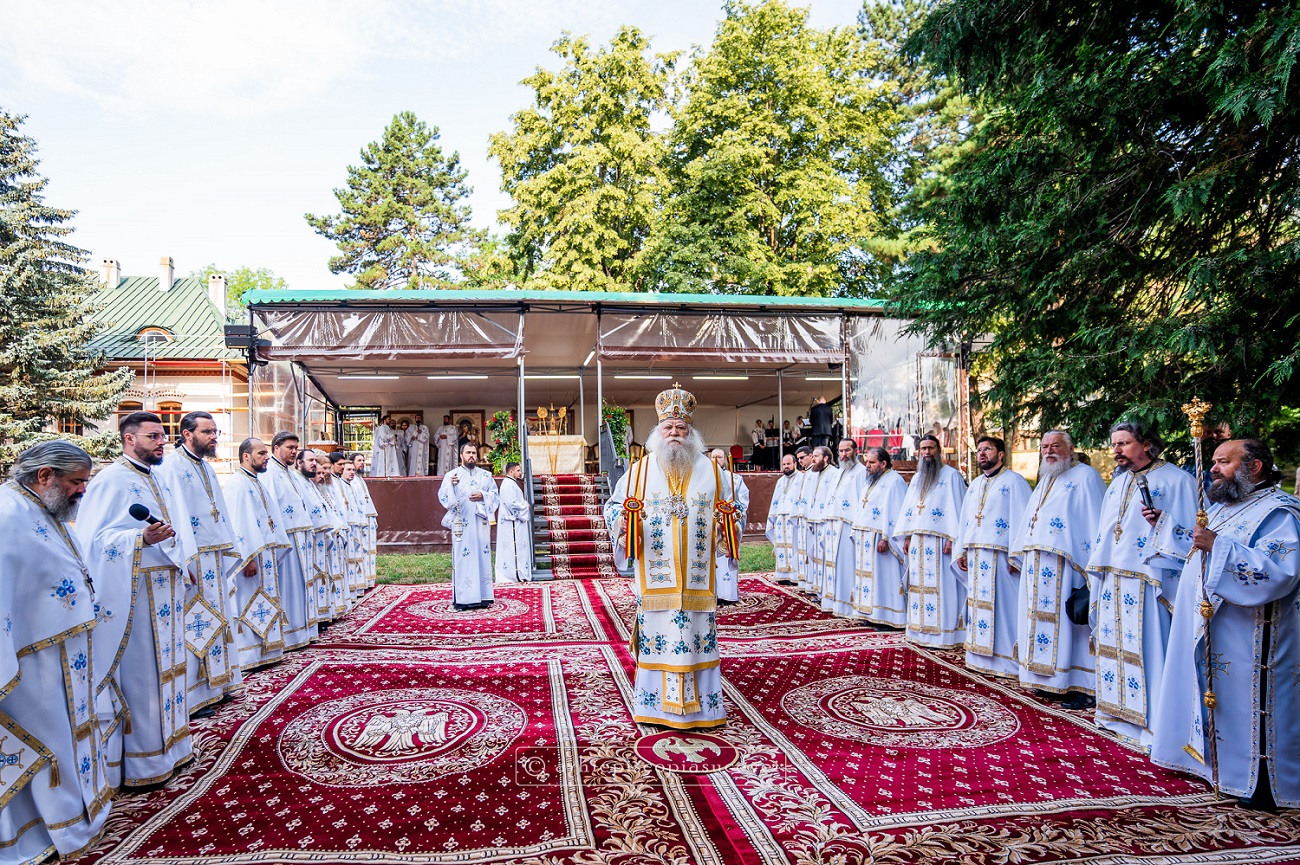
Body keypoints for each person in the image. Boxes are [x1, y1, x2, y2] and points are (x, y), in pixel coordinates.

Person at [1151, 438, 1300, 811]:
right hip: (1216, 631)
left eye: (1224, 462)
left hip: (1252, 637)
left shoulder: (1280, 512)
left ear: (1254, 467)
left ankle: (1261, 783)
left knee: (1250, 706)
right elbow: (1199, 548)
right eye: (1214, 462)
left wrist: (1218, 547)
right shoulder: (1226, 507)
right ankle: (1220, 769)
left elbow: (1278, 572)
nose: (1214, 469)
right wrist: (1170, 527)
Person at [1, 442, 114, 861]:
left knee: (67, 739)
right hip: (29, 659)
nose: (83, 491)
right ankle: (47, 828)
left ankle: (73, 817)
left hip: (65, 652)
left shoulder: (44, 511)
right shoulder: (8, 514)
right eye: (76, 482)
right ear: (45, 475)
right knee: (43, 743)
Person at [75, 411, 193, 788]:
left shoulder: (157, 477)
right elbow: (92, 542)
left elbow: (175, 529)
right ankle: (144, 762)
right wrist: (139, 540)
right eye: (154, 436)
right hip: (135, 593)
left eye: (163, 435)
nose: (162, 442)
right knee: (144, 676)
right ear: (129, 439)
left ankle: (171, 748)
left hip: (165, 589)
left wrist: (183, 560)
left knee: (168, 671)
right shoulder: (111, 480)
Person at [605, 384, 726, 729]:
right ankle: (656, 709)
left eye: (681, 427)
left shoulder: (712, 471)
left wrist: (727, 531)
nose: (674, 432)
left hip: (697, 580)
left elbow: (732, 510)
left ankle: (704, 710)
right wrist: (622, 525)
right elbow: (614, 506)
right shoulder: (640, 471)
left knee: (696, 637)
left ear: (691, 432)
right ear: (658, 432)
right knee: (660, 638)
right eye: (668, 427)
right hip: (656, 580)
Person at [1084, 421, 1197, 748]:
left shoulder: (1178, 481)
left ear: (1147, 444)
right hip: (1114, 579)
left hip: (1151, 584)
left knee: (1149, 651)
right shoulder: (1117, 484)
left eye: (1124, 443)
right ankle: (1115, 714)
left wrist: (1164, 524)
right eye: (1114, 444)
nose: (1116, 450)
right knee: (1113, 649)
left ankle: (1152, 727)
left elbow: (1191, 538)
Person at [1011, 430, 1105, 710]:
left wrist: (1090, 568)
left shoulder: (1086, 476)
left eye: (1055, 446)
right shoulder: (1046, 478)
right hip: (1038, 564)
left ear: (1071, 447)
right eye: (1044, 447)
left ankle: (1080, 684)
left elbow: (1093, 522)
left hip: (1069, 566)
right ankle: (1048, 680)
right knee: (1038, 621)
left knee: (1071, 622)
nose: (1049, 451)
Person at [155, 411, 242, 716]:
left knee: (218, 618)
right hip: (193, 558)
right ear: (187, 433)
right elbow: (174, 515)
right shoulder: (171, 467)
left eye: (215, 432)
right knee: (196, 622)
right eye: (207, 432)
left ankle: (219, 685)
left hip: (214, 557)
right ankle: (195, 695)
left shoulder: (206, 466)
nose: (214, 437)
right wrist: (183, 558)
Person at [953, 436, 1031, 678]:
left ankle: (1007, 660)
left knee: (1005, 608)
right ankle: (979, 655)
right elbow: (965, 520)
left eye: (988, 449)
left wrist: (1015, 555)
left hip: (1002, 557)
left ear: (1000, 454)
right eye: (979, 450)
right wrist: (963, 550)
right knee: (979, 606)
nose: (982, 453)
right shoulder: (975, 484)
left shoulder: (1014, 482)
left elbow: (1022, 520)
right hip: (977, 556)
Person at [892, 434, 968, 647]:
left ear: (939, 450)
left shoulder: (952, 476)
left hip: (941, 543)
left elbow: (959, 510)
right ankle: (920, 630)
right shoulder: (917, 478)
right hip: (918, 543)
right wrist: (907, 536)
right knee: (918, 586)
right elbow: (909, 509)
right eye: (923, 448)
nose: (926, 452)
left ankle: (945, 634)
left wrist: (955, 539)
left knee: (943, 588)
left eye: (930, 448)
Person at [223, 438, 286, 671]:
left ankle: (264, 651)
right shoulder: (237, 485)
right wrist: (247, 558)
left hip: (263, 555)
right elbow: (239, 524)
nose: (266, 457)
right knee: (248, 603)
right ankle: (248, 655)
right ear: (246, 456)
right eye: (261, 453)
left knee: (263, 602)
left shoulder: (255, 482)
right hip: (250, 558)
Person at [261, 432, 318, 649]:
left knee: (300, 586)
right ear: (276, 448)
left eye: (296, 448)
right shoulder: (270, 474)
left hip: (299, 538)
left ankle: (300, 631)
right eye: (290, 447)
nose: (294, 451)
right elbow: (270, 510)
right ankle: (288, 633)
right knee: (288, 587)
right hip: (285, 539)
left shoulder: (291, 474)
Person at [850, 446, 909, 627]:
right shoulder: (872, 481)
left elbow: (896, 512)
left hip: (881, 540)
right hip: (866, 539)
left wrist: (886, 537)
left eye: (872, 462)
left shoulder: (894, 481)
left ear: (883, 463)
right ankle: (869, 613)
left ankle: (889, 617)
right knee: (868, 578)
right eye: (866, 462)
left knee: (884, 578)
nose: (867, 465)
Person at [439, 443, 499, 610]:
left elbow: (495, 496)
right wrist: (450, 486)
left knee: (481, 557)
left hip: (480, 524)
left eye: (474, 453)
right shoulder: (452, 476)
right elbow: (444, 498)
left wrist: (483, 496)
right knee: (463, 558)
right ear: (461, 455)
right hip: (462, 525)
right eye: (468, 452)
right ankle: (463, 598)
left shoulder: (486, 476)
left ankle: (483, 597)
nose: (471, 455)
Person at [821, 439, 868, 617]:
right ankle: (835, 603)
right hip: (834, 525)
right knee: (835, 565)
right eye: (840, 451)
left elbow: (861, 501)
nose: (843, 454)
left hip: (849, 526)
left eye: (847, 450)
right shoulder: (840, 472)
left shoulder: (861, 472)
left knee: (847, 565)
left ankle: (848, 605)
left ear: (856, 451)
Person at [710, 449, 749, 605]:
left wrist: (731, 519)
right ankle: (711, 593)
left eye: (719, 456)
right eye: (712, 456)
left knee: (726, 554)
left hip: (728, 524)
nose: (715, 459)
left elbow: (742, 501)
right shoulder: (704, 479)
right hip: (711, 524)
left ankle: (728, 595)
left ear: (725, 460)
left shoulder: (736, 479)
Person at [801, 446, 837, 595]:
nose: (813, 459)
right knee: (814, 556)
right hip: (813, 521)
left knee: (824, 556)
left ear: (826, 458)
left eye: (816, 456)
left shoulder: (834, 474)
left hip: (825, 520)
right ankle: (816, 588)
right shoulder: (813, 474)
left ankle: (826, 591)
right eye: (813, 456)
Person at [766, 453, 801, 585]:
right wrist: (773, 517)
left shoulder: (801, 479)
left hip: (793, 519)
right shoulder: (780, 481)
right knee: (782, 547)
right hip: (781, 518)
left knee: (793, 546)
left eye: (788, 464)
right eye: (784, 464)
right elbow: (775, 500)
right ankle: (783, 575)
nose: (786, 467)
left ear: (795, 464)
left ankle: (794, 575)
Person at [495, 462, 532, 583]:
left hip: (515, 521)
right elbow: (511, 504)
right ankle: (511, 575)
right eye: (518, 470)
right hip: (511, 522)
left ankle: (520, 573)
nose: (520, 473)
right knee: (511, 547)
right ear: (511, 472)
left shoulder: (512, 484)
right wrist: (525, 506)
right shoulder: (507, 485)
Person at [351, 453, 380, 589]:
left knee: (369, 549)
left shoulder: (360, 479)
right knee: (362, 549)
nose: (362, 463)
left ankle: (369, 579)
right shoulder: (351, 480)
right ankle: (362, 579)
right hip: (361, 520)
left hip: (368, 518)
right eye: (359, 460)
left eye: (363, 460)